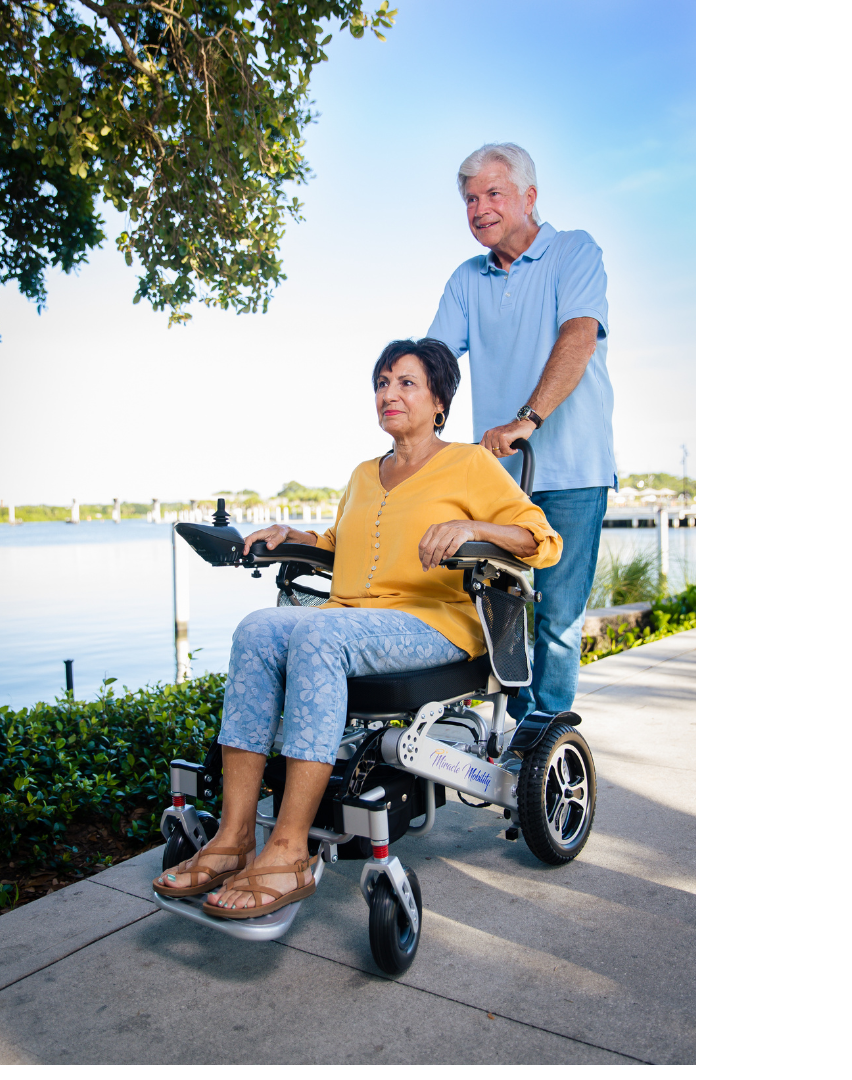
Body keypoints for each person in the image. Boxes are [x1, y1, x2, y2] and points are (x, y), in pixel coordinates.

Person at [153, 337, 562, 916]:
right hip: (352, 621)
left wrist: (475, 528)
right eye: (381, 383)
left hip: (433, 622)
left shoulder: (471, 463)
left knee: (317, 635)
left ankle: (291, 850)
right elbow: (340, 547)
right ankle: (234, 836)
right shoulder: (363, 475)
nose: (388, 394)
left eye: (405, 383)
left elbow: (541, 539)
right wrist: (292, 537)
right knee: (257, 628)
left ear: (439, 400)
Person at [426, 142, 616, 725]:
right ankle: (508, 732)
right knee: (500, 614)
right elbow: (437, 360)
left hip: (573, 469)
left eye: (493, 194)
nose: (479, 208)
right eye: (470, 198)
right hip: (502, 482)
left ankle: (544, 740)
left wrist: (525, 420)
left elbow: (579, 337)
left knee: (557, 618)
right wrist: (415, 425)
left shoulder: (573, 251)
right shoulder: (466, 279)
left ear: (529, 197)